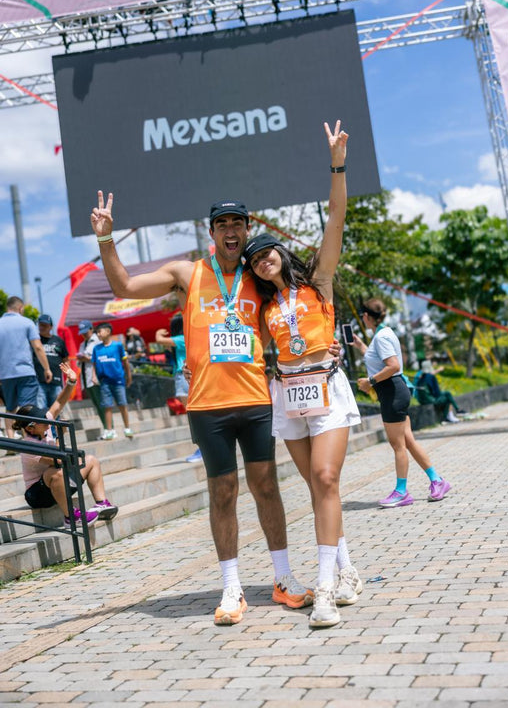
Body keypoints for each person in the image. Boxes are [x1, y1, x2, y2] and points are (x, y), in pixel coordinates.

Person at [90, 191, 313, 626]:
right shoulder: (186, 273)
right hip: (208, 404)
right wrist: (105, 239)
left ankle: (283, 577)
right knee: (222, 491)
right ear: (212, 233)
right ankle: (231, 587)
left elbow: (295, 305)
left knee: (266, 486)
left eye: (238, 224)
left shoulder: (259, 275)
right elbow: (125, 288)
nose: (231, 231)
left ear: (247, 229)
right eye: (223, 225)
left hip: (255, 399)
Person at [243, 120, 362, 629]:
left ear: (280, 251)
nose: (262, 262)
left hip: (327, 386)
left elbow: (335, 219)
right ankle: (348, 567)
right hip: (288, 393)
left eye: (266, 252)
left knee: (326, 476)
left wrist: (336, 163)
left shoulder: (318, 282)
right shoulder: (261, 304)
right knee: (317, 490)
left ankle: (327, 590)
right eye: (254, 261)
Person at [352, 298, 452, 507]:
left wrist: (370, 381)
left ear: (367, 316)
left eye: (363, 315)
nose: (362, 319)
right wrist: (361, 346)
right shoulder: (383, 334)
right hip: (394, 391)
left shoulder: (381, 337)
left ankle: (401, 492)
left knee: (398, 445)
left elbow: (393, 366)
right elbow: (381, 361)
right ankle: (437, 481)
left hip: (392, 392)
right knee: (407, 441)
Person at [13, 361, 118, 528]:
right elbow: (58, 461)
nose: (47, 421)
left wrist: (71, 381)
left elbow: (59, 402)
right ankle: (71, 517)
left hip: (55, 483)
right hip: (37, 495)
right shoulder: (28, 447)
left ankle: (101, 503)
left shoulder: (43, 424)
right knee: (55, 471)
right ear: (31, 427)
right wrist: (59, 437)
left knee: (90, 460)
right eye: (42, 420)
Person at [0, 296, 52, 440]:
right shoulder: (26, 323)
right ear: (20, 308)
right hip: (25, 372)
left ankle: (10, 441)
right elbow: (37, 347)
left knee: (9, 408)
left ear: (7, 308)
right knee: (27, 408)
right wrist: (47, 368)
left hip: (5, 375)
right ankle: (29, 443)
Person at [155, 314, 202, 463]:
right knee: (193, 413)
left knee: (194, 414)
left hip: (183, 376)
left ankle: (203, 448)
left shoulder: (182, 339)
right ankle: (203, 447)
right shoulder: (186, 340)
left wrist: (159, 333)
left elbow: (160, 340)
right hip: (183, 375)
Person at [92, 323, 133, 440]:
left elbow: (125, 362)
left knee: (122, 404)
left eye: (100, 331)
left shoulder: (118, 346)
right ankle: (109, 430)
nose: (98, 334)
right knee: (107, 406)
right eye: (97, 332)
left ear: (108, 331)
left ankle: (127, 428)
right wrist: (94, 376)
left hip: (118, 380)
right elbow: (94, 364)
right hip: (104, 382)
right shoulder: (96, 348)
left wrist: (129, 377)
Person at [76, 320, 107, 434]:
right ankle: (106, 428)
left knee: (102, 404)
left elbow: (100, 357)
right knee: (97, 405)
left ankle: (109, 428)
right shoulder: (82, 344)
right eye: (82, 332)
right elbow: (79, 361)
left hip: (96, 377)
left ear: (91, 329)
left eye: (86, 331)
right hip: (85, 377)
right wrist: (81, 358)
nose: (84, 334)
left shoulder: (97, 341)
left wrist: (87, 358)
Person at [33, 314, 69, 411]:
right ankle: (46, 427)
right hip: (39, 381)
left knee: (56, 410)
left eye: (45, 325)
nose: (41, 327)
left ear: (51, 327)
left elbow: (66, 359)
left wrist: (68, 375)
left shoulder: (58, 341)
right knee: (41, 410)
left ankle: (56, 427)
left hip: (56, 382)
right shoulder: (35, 341)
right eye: (40, 325)